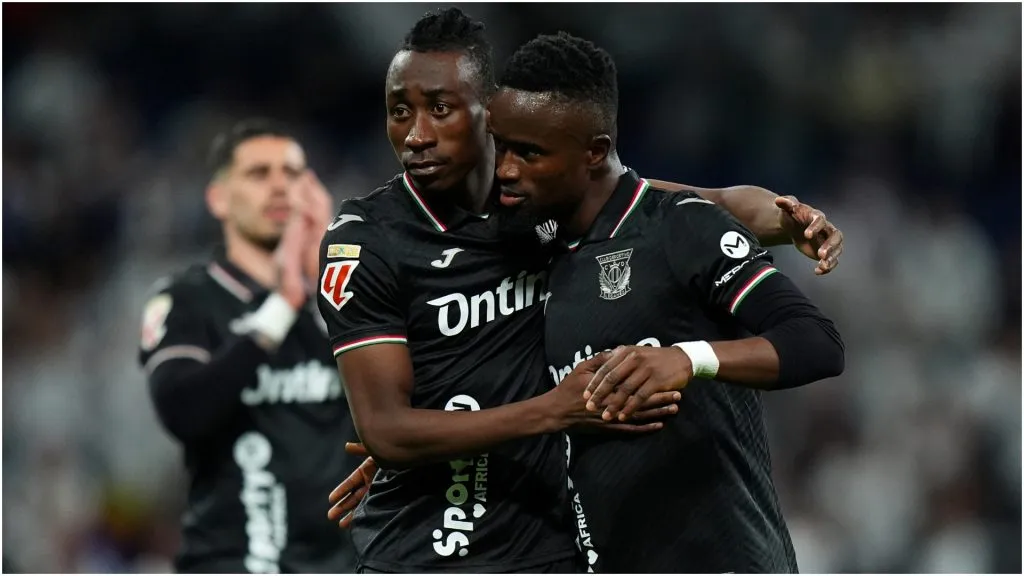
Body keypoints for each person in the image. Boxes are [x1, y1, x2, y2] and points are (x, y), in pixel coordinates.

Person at [317, 8, 844, 573]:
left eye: (440, 110)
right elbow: (388, 429)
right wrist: (536, 415)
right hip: (426, 552)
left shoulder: (541, 203)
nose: (417, 135)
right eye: (400, 111)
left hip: (553, 548)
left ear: (488, 111)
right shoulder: (365, 241)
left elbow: (691, 203)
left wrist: (790, 219)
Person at [482, 32, 846, 572]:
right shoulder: (537, 245)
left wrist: (687, 358)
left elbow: (817, 343)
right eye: (501, 145)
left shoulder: (676, 227)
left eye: (529, 152)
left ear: (595, 152)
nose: (506, 169)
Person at [137, 119, 361, 573]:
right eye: (259, 174)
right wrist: (282, 306)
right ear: (219, 198)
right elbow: (183, 411)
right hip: (230, 562)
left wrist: (324, 279)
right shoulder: (188, 299)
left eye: (293, 174)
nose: (281, 188)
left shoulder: (345, 304)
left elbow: (409, 397)